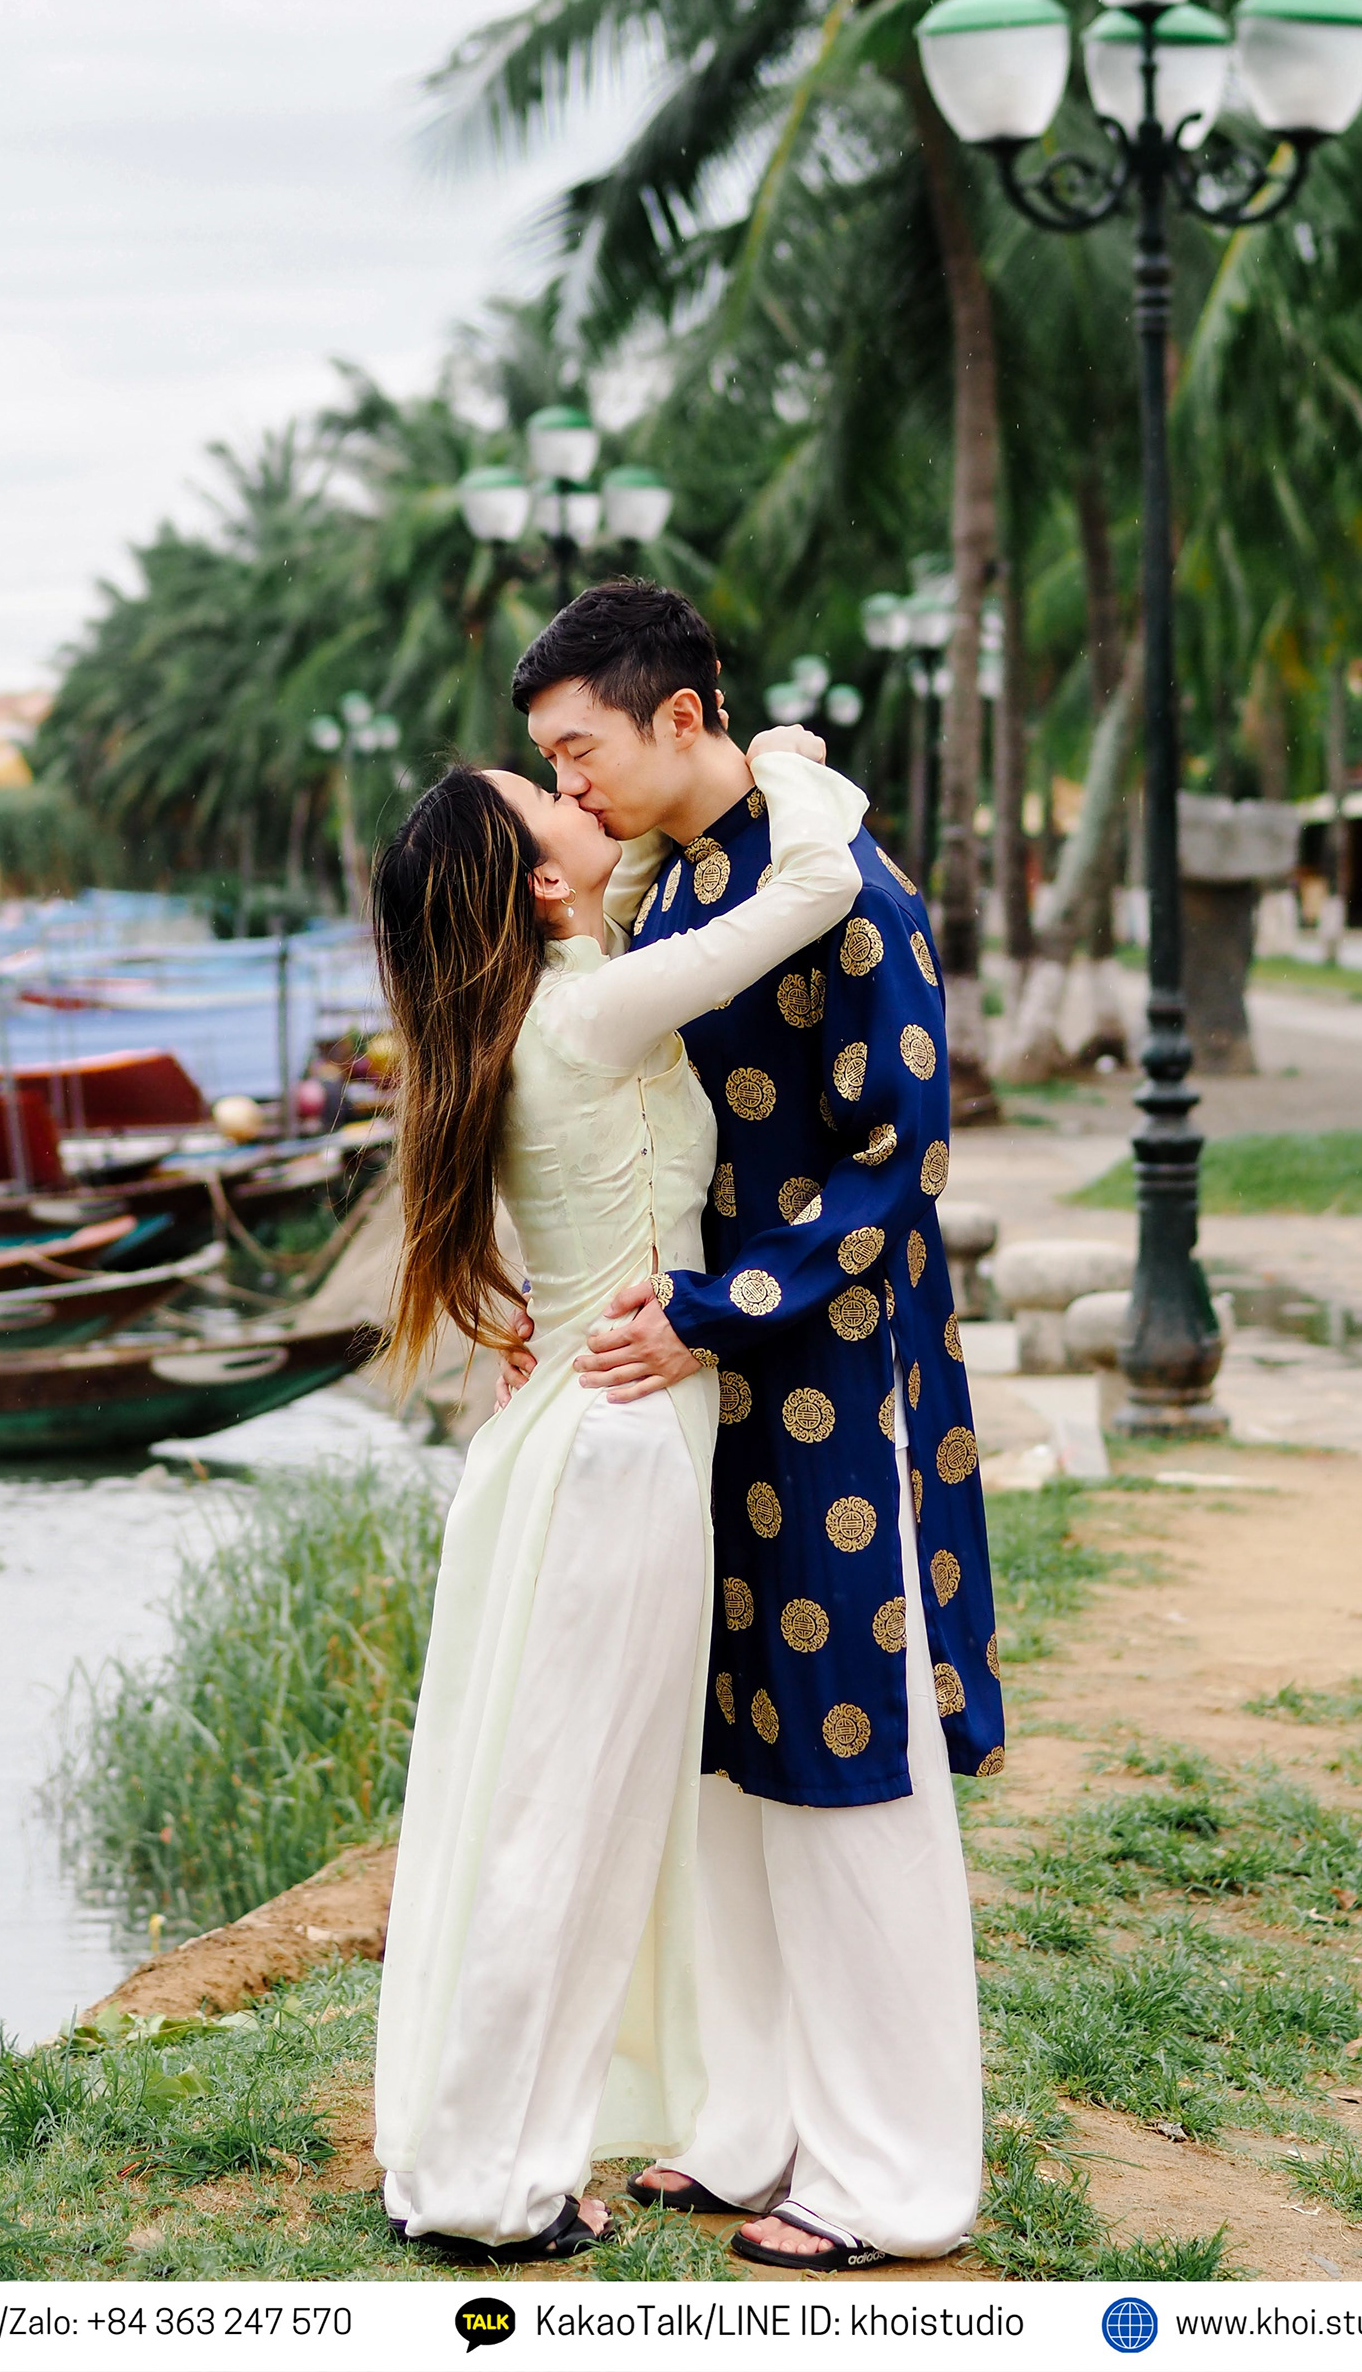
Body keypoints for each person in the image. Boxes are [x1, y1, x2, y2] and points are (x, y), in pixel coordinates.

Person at [505, 579, 1001, 2274]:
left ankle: (896, 2182)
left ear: (681, 718)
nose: (570, 792)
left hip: (834, 1375)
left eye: (581, 753)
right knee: (734, 1762)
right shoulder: (687, 882)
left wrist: (713, 1315)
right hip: (709, 1374)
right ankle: (754, 2129)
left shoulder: (850, 893)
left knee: (853, 1768)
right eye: (551, 764)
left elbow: (900, 1169)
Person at [368, 722, 868, 2264]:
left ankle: (481, 2151)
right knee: (563, 1824)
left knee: (527, 1810)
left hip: (570, 1444)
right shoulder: (590, 1015)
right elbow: (810, 887)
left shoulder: (546, 1006)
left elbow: (640, 876)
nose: (583, 796)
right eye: (550, 796)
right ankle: (492, 2185)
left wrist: (625, 842)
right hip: (619, 1452)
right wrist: (787, 757)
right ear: (530, 882)